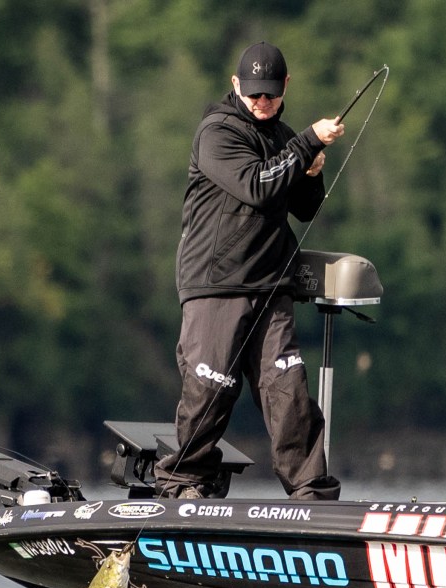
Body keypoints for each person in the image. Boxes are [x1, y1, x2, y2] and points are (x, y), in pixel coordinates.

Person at [155, 41, 345, 501]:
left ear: (285, 87)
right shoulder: (217, 133)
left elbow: (304, 207)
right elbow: (256, 185)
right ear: (235, 85)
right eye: (254, 93)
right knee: (211, 387)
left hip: (270, 285)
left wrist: (312, 172)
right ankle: (183, 483)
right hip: (216, 283)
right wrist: (308, 143)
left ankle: (310, 491)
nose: (262, 102)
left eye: (270, 94)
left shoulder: (284, 138)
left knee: (288, 388)